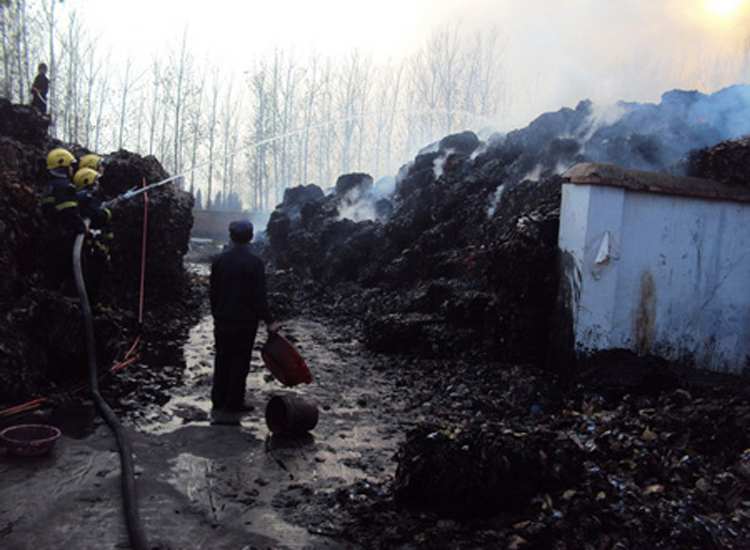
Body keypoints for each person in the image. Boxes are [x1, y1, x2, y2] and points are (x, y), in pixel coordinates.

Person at [209, 219, 279, 425]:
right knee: (240, 362)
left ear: (231, 236)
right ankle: (234, 402)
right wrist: (269, 321)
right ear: (250, 237)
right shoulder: (255, 263)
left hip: (223, 319)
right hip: (245, 322)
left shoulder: (219, 260)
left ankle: (218, 399)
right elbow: (259, 297)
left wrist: (217, 313)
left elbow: (213, 292)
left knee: (222, 359)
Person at [41, 147, 85, 296]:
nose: (72, 170)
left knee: (52, 276)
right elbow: (68, 210)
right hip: (64, 238)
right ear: (63, 167)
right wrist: (81, 227)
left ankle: (46, 302)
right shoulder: (65, 186)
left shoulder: (49, 186)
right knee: (70, 274)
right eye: (70, 166)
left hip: (51, 236)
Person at [74, 167, 113, 305]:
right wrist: (108, 213)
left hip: (91, 248)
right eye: (96, 180)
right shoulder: (85, 197)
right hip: (89, 250)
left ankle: (93, 304)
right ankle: (90, 306)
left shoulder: (83, 197)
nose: (98, 183)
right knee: (91, 277)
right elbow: (97, 215)